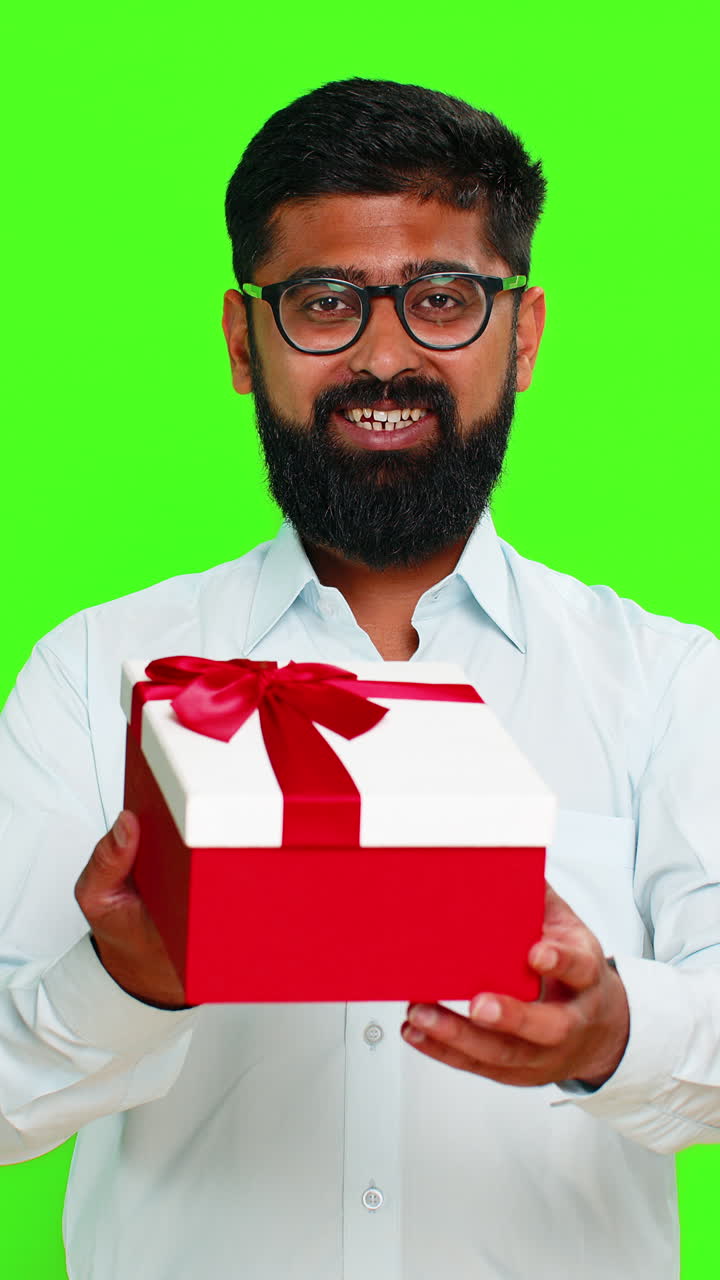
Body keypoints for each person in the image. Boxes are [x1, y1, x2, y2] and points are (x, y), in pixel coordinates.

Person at [1, 76, 719, 1280]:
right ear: (245, 341)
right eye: (324, 301)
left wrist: (613, 1030)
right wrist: (123, 981)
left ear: (525, 331)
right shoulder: (95, 673)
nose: (384, 355)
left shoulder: (667, 682)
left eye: (442, 298)